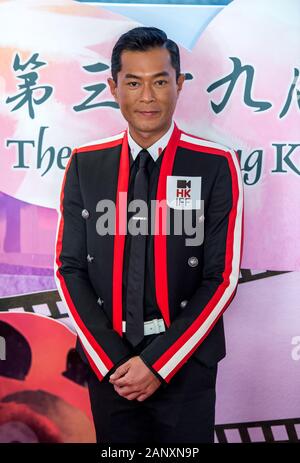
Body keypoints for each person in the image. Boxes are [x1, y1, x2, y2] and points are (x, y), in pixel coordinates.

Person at [54, 26, 244, 443]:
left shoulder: (213, 165)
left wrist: (158, 364)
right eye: (133, 83)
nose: (147, 96)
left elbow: (222, 277)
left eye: (160, 81)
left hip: (186, 362)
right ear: (112, 87)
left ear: (178, 83)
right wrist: (113, 360)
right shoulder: (87, 164)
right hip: (111, 365)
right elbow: (69, 269)